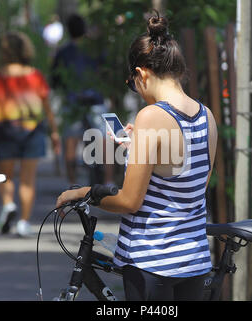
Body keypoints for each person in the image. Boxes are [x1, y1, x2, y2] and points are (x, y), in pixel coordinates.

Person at [56, 11, 218, 301]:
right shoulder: (206, 116)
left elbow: (129, 201)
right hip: (194, 263)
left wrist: (82, 192)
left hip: (151, 264)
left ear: (142, 74)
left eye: (132, 83)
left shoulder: (151, 116)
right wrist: (141, 150)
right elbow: (188, 190)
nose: (137, 91)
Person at [0, 31, 61, 237]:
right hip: (32, 131)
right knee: (28, 180)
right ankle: (24, 222)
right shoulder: (34, 75)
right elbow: (46, 106)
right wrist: (54, 132)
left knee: (5, 177)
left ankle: (8, 205)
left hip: (3, 130)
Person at [51, 13, 113, 185]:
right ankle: (109, 181)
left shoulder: (63, 52)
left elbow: (55, 80)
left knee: (71, 142)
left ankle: (72, 184)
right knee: (104, 140)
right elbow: (106, 71)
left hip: (72, 101)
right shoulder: (94, 49)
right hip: (95, 99)